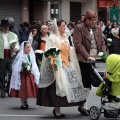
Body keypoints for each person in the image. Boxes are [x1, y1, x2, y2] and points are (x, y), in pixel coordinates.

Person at [36, 19, 85, 118]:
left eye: (65, 25)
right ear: (58, 27)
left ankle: (81, 106)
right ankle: (57, 110)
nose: (65, 27)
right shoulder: (52, 38)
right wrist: (55, 57)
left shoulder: (65, 36)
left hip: (67, 64)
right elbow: (49, 51)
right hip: (58, 66)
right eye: (63, 26)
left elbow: (68, 48)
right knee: (58, 87)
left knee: (72, 86)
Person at [73, 10, 106, 116]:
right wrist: (87, 56)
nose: (93, 22)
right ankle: (84, 107)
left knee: (90, 82)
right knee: (86, 83)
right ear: (85, 19)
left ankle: (82, 105)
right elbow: (78, 44)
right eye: (91, 20)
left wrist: (103, 54)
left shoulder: (98, 28)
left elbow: (102, 42)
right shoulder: (79, 28)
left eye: (94, 19)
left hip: (94, 59)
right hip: (82, 59)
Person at [9, 41, 40, 109]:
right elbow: (15, 65)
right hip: (22, 75)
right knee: (23, 89)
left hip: (29, 74)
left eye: (29, 47)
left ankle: (25, 100)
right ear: (23, 48)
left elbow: (34, 65)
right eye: (27, 47)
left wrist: (34, 72)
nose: (29, 49)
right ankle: (22, 103)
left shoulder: (31, 55)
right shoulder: (20, 55)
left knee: (28, 89)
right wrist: (20, 69)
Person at [0, 19, 19, 98]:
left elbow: (17, 44)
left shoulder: (13, 35)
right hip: (1, 57)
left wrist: (16, 48)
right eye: (4, 27)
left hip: (11, 56)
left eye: (7, 27)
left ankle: (9, 89)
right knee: (1, 75)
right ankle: (2, 91)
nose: (6, 28)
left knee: (12, 73)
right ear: (1, 27)